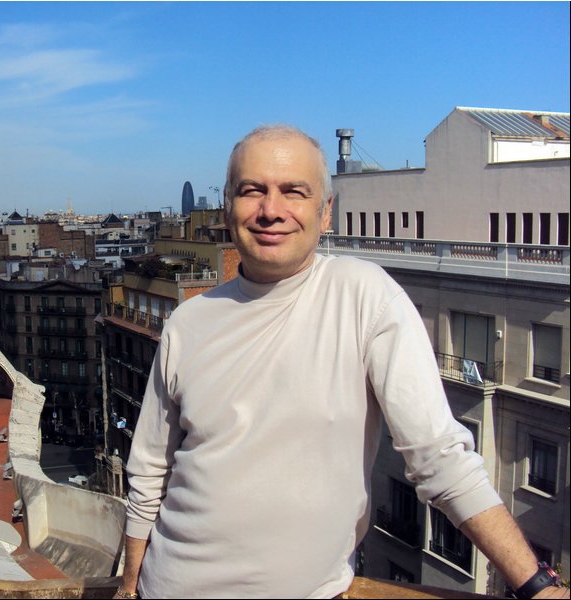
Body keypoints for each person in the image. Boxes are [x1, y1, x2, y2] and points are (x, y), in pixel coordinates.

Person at [119, 126, 568, 599]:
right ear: (228, 207)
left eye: (294, 191)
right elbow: (149, 467)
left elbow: (440, 456)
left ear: (325, 212)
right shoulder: (189, 321)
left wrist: (536, 584)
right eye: (253, 191)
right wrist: (129, 585)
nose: (271, 210)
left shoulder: (365, 297)